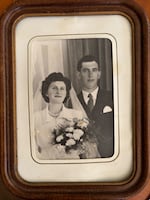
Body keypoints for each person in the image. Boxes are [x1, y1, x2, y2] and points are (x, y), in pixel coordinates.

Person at [34, 72, 100, 160]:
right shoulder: (35, 117)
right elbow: (33, 150)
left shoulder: (76, 115)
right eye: (54, 88)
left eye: (62, 89)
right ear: (46, 92)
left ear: (66, 93)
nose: (58, 91)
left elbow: (88, 148)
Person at [76, 55, 114, 158]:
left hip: (110, 155)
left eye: (94, 70)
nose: (90, 74)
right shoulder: (72, 102)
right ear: (79, 75)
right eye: (85, 70)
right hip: (84, 158)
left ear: (99, 74)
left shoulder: (113, 97)